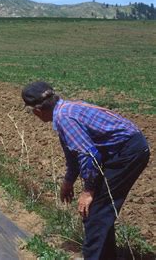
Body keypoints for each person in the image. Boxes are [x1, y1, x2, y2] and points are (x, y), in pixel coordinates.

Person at [21, 81, 150, 260]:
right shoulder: (65, 109)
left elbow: (89, 155)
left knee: (96, 210)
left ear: (37, 111)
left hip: (128, 152)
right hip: (124, 149)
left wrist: (88, 190)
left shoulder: (64, 118)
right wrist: (68, 181)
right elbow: (74, 153)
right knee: (99, 209)